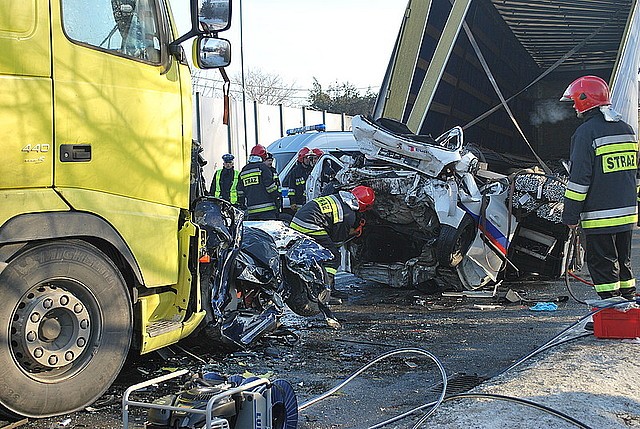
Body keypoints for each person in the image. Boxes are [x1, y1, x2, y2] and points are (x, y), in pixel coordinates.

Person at [560, 75, 639, 301]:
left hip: (600, 216)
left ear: (585, 100)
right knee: (623, 262)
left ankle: (611, 311)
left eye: (575, 100)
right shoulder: (626, 129)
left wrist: (570, 215)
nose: (574, 105)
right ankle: (628, 303)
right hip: (627, 215)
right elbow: (633, 173)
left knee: (603, 266)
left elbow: (579, 181)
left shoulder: (586, 133)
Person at [289, 185, 375, 304]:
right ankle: (325, 294)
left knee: (325, 254)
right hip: (309, 225)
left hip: (298, 222)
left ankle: (327, 288)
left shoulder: (338, 198)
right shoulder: (348, 215)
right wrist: (353, 232)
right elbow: (337, 240)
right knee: (333, 257)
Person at [237, 144, 280, 220]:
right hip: (267, 209)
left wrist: (242, 204)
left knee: (254, 231)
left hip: (252, 210)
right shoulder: (263, 168)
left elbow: (240, 191)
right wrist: (277, 199)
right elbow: (270, 187)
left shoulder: (244, 170)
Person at [286, 147, 322, 211]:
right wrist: (292, 202)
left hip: (311, 201)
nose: (308, 160)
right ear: (301, 158)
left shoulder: (313, 170)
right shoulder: (295, 172)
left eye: (309, 158)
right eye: (306, 158)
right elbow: (291, 189)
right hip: (299, 203)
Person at [264, 151, 284, 217]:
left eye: (271, 160)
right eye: (268, 160)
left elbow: (277, 183)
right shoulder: (264, 171)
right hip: (269, 198)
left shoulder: (273, 170)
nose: (270, 162)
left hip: (277, 196)